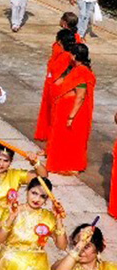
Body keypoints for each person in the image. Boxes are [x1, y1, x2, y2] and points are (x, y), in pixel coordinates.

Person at [45, 43, 96, 175]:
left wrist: (71, 116)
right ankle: (65, 163)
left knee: (74, 140)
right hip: (68, 109)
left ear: (73, 56)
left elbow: (80, 97)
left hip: (75, 112)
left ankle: (74, 166)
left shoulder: (82, 72)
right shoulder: (77, 69)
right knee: (66, 138)